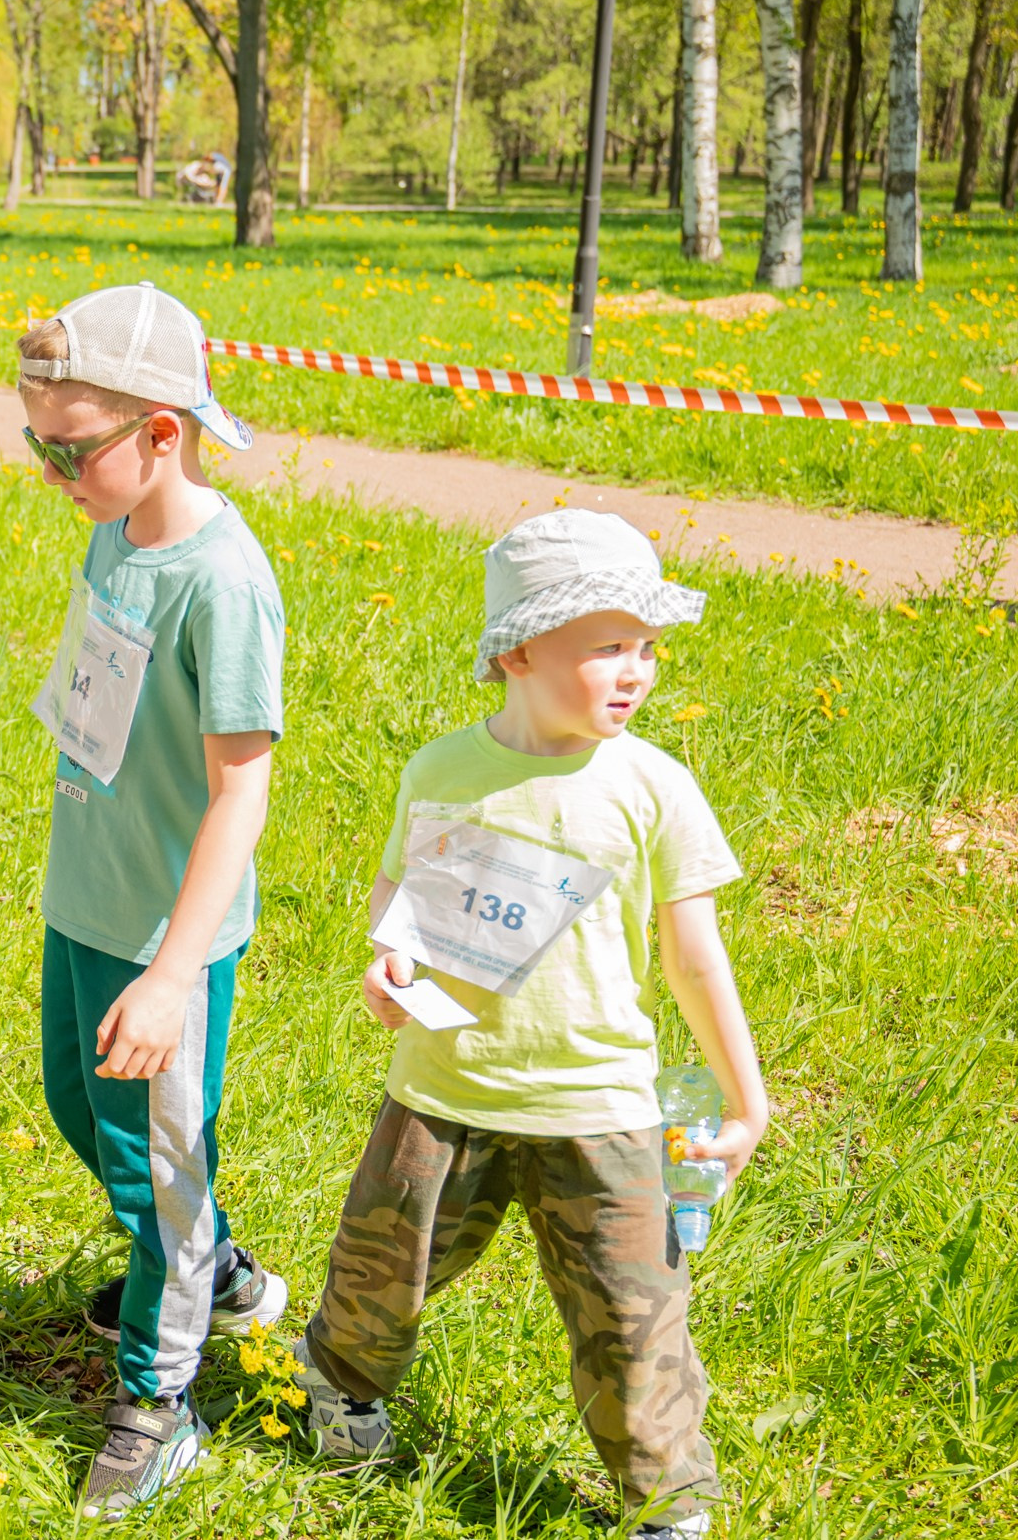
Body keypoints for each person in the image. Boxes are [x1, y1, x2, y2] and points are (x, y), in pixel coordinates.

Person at [292, 509, 770, 1540]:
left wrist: (745, 1096)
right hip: (439, 1091)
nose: (635, 669)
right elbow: (400, 907)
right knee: (379, 1274)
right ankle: (340, 1394)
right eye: (605, 645)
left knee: (634, 1323)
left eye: (646, 646)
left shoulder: (651, 787)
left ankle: (664, 1503)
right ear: (516, 649)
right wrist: (387, 966)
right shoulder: (441, 771)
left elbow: (694, 956)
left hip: (601, 1108)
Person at [13, 284, 289, 1516]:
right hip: (86, 900)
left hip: (160, 937)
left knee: (161, 1168)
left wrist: (173, 975)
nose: (51, 467)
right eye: (37, 442)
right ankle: (206, 1265)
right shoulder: (113, 526)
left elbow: (240, 794)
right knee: (79, 1107)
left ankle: (157, 1395)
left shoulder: (222, 581)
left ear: (163, 430)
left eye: (69, 448)